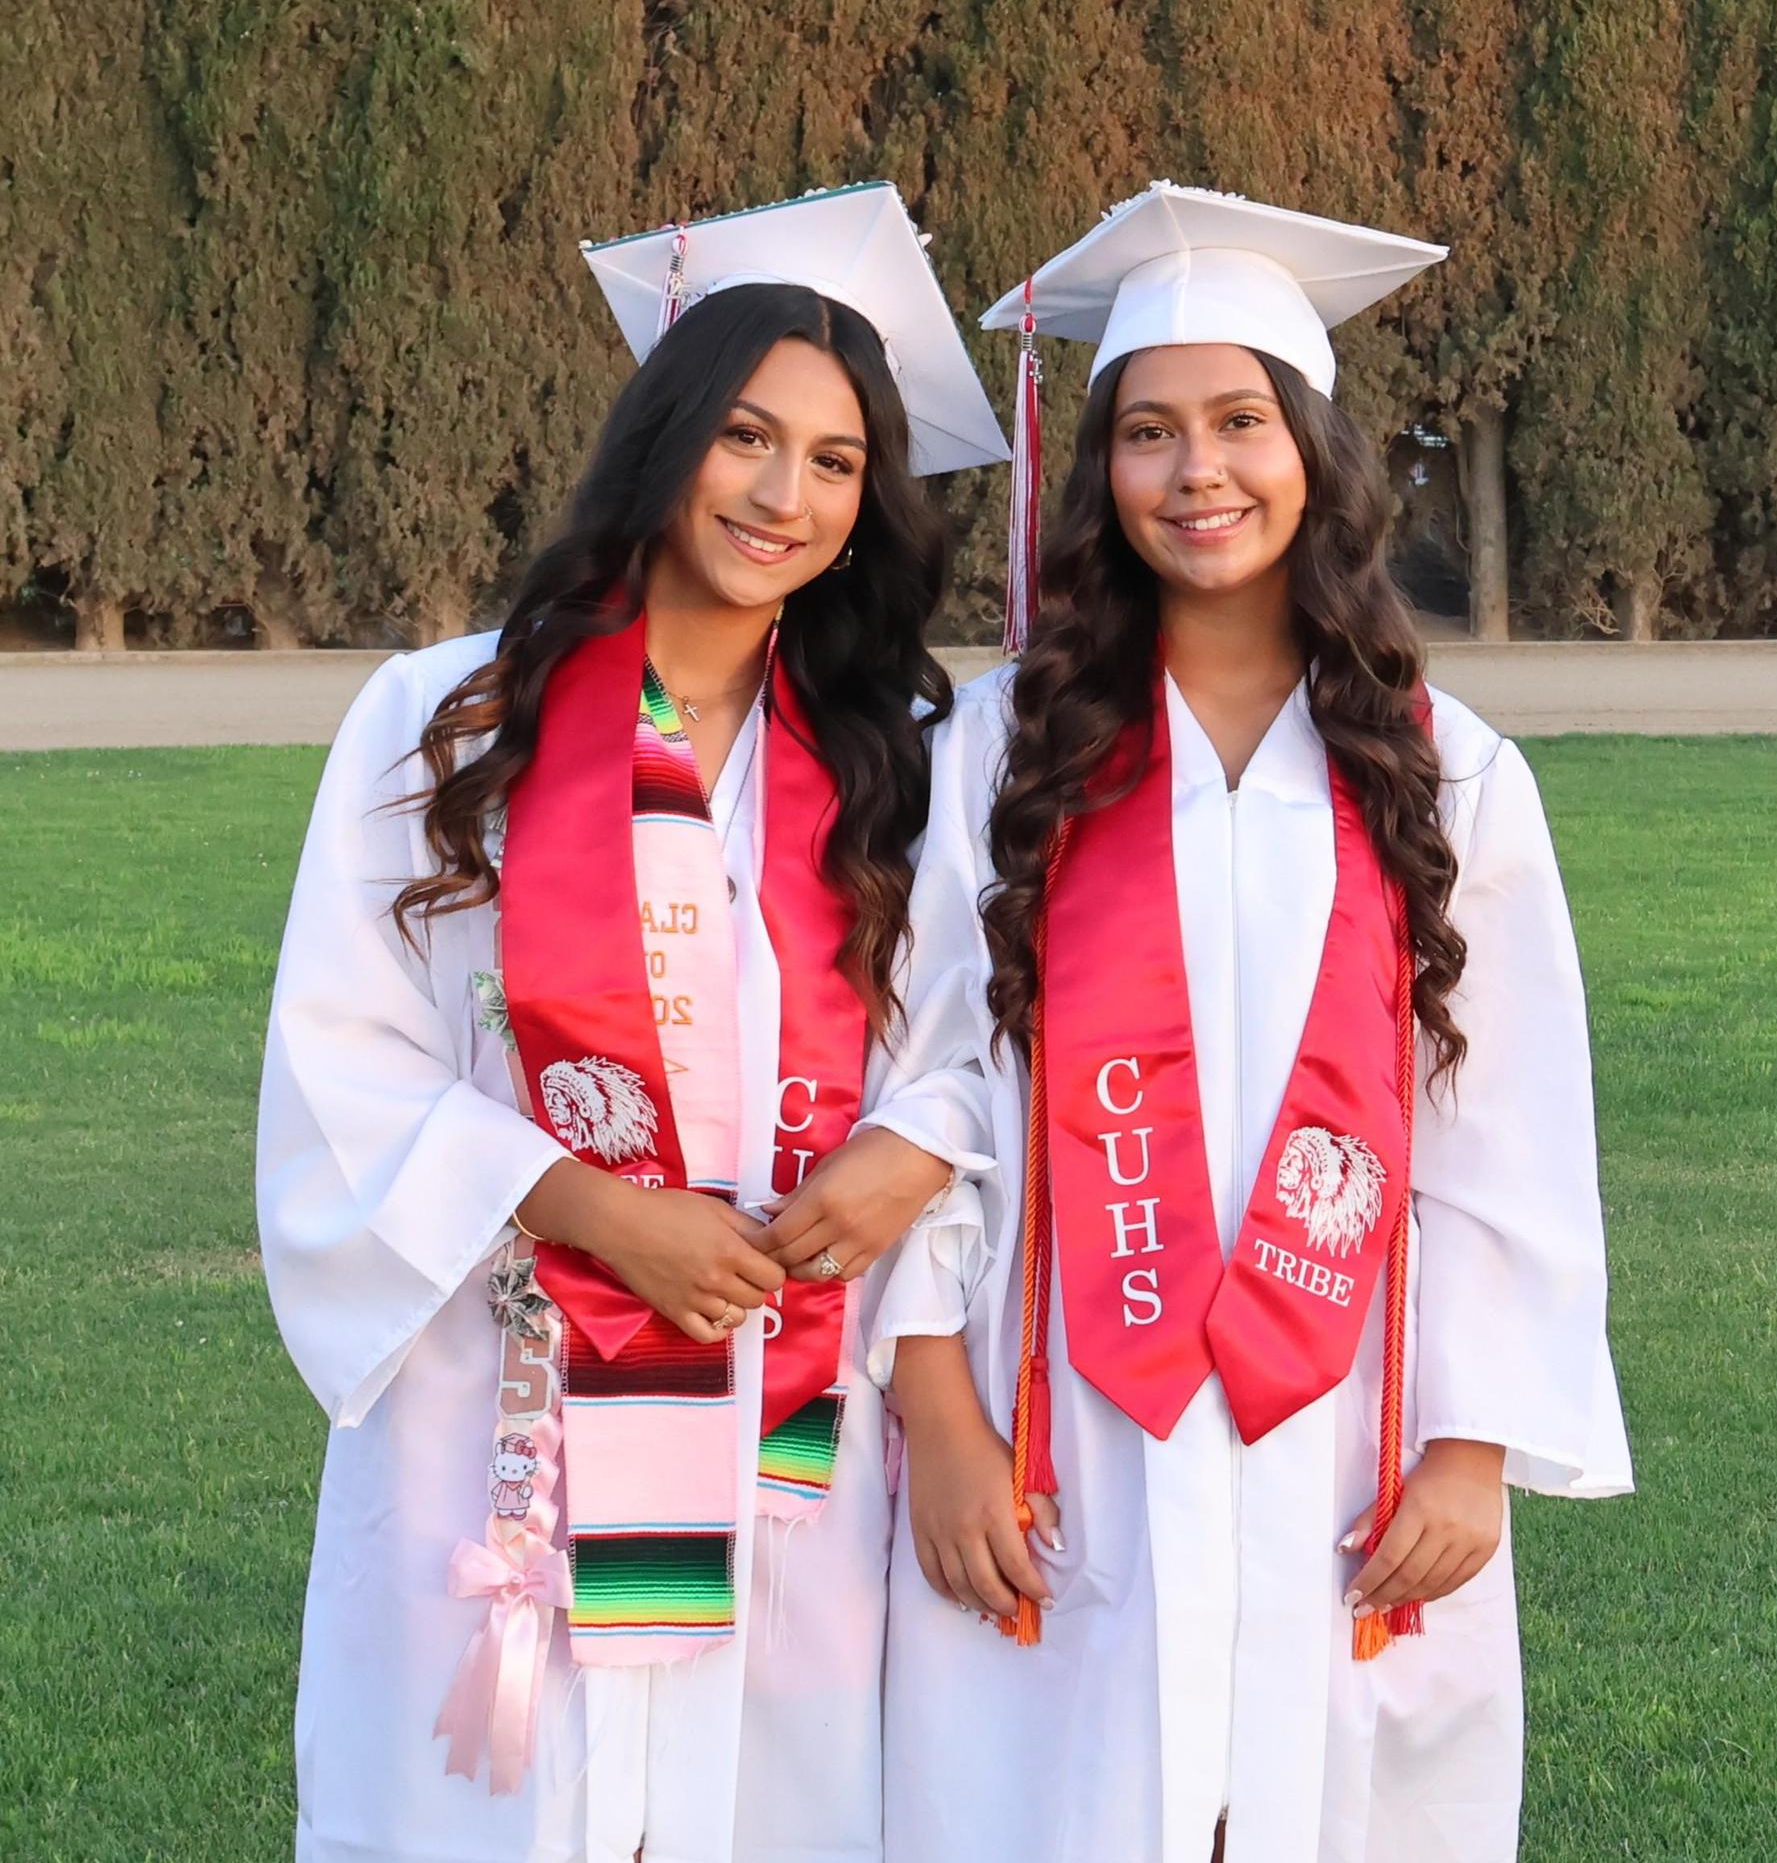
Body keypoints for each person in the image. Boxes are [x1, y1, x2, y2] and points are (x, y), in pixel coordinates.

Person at [860, 183, 1633, 1863]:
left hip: (1342, 1421)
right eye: (1147, 433)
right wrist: (937, 1418)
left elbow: (1508, 1130)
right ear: (1101, 472)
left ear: (1317, 454)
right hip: (1059, 1406)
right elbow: (922, 1089)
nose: (1196, 472)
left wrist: (1472, 1445)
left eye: (1239, 422)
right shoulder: (1007, 750)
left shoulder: (1449, 773)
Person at [256, 183, 1005, 1863]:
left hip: (781, 1415)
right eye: (748, 435)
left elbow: (966, 1047)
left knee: (761, 1813)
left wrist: (911, 1152)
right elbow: (344, 1049)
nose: (785, 494)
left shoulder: (894, 758)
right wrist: (594, 1212)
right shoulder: (451, 721)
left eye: (836, 462)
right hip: (509, 1396)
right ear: (667, 436)